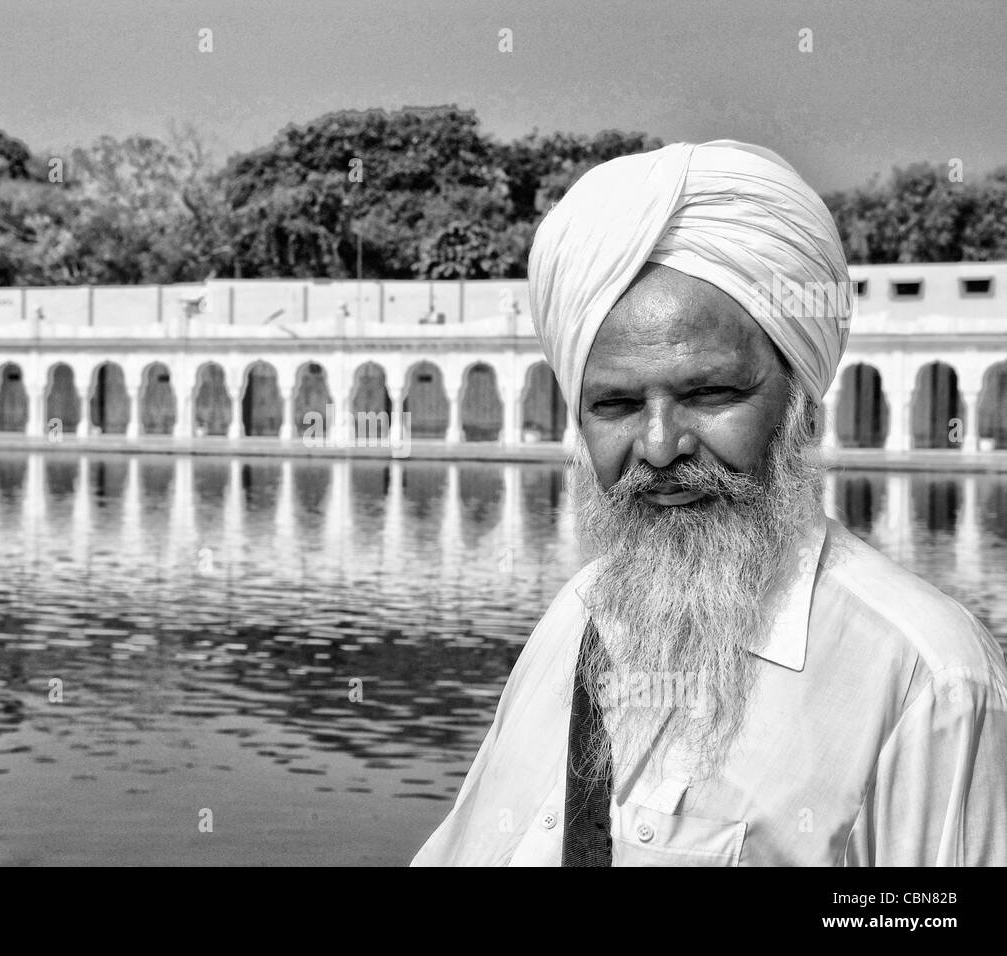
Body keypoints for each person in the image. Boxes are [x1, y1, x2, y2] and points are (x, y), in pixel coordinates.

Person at [411, 140, 1007, 866]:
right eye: (617, 404)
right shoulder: (577, 618)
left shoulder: (927, 679)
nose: (660, 446)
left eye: (711, 394)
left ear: (800, 402)